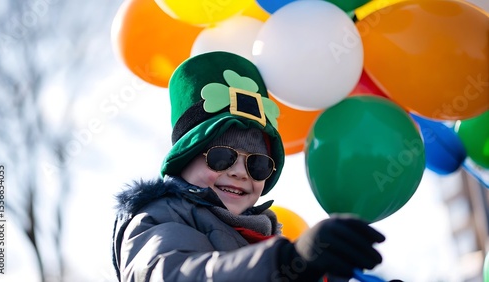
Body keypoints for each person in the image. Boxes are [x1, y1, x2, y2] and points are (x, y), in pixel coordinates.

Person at [111, 51, 386, 282]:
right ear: (185, 159)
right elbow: (172, 274)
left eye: (257, 164)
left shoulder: (260, 236)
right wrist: (284, 261)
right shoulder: (158, 216)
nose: (240, 172)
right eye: (221, 157)